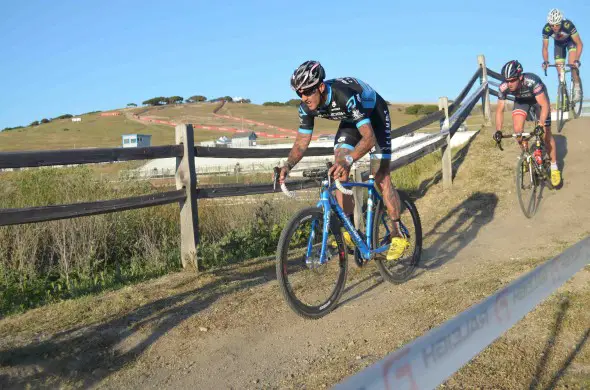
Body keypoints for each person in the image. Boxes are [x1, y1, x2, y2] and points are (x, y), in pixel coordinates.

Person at [278, 60, 409, 261]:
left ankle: (398, 234)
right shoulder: (306, 107)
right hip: (351, 119)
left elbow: (369, 138)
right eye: (299, 93)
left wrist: (349, 159)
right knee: (339, 167)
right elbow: (302, 141)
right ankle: (348, 231)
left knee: (381, 177)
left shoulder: (344, 96)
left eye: (307, 92)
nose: (303, 97)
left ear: (320, 87)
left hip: (374, 116)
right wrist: (288, 165)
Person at [494, 60, 561, 187]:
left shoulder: (532, 81)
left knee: (546, 134)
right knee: (517, 129)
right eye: (507, 80)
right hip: (521, 101)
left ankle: (554, 167)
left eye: (512, 80)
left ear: (520, 77)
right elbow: (499, 110)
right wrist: (498, 130)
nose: (509, 84)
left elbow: (544, 105)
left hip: (539, 100)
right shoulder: (503, 87)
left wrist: (540, 125)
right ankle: (526, 155)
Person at [542, 8, 583, 101]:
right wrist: (545, 61)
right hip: (559, 46)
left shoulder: (568, 25)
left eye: (557, 24)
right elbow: (545, 47)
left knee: (572, 64)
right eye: (552, 25)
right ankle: (564, 92)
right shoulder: (546, 29)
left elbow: (579, 43)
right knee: (560, 71)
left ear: (561, 22)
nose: (554, 27)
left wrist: (577, 59)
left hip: (571, 43)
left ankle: (577, 87)